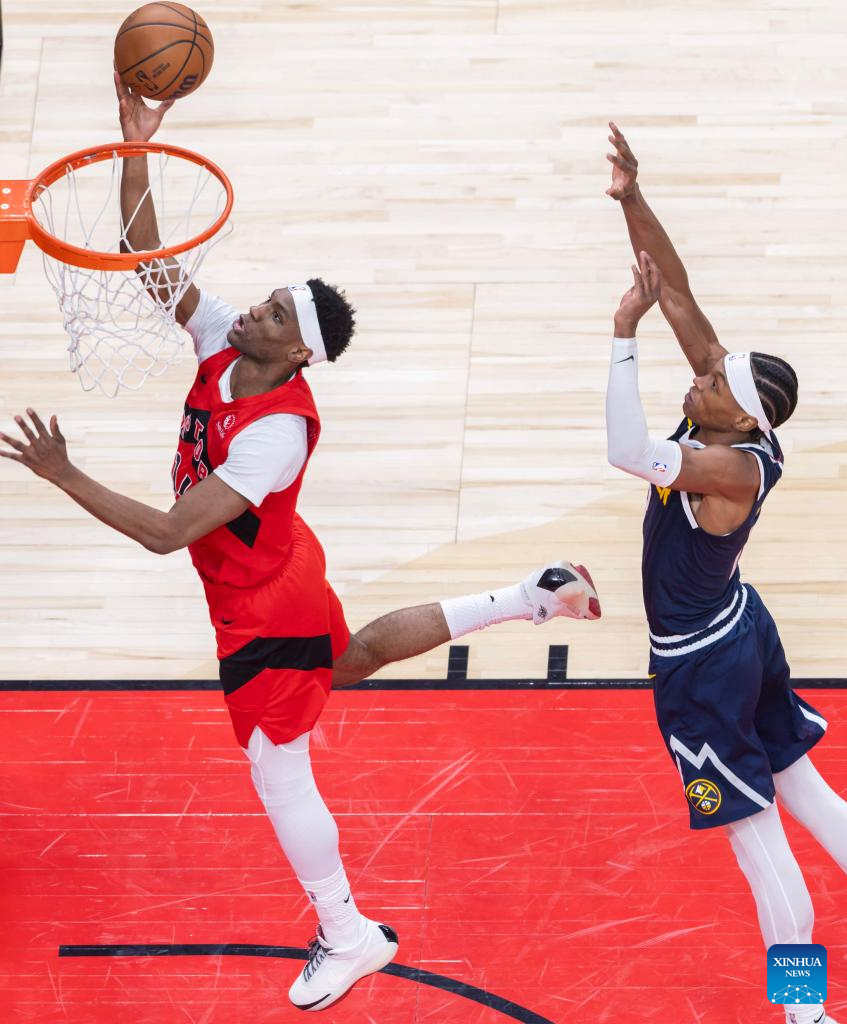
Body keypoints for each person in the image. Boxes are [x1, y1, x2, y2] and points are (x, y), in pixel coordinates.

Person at [0, 76, 600, 1013]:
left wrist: (64, 474)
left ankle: (348, 934)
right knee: (349, 661)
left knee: (279, 771)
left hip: (257, 603)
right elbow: (146, 258)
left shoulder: (277, 430)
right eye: (267, 300)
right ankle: (530, 595)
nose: (253, 311)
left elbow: (167, 533)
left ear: (297, 354)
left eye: (275, 315)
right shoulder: (226, 339)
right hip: (285, 562)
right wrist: (135, 143)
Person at [604, 124, 846, 1024]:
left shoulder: (728, 469)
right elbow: (676, 289)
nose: (697, 380)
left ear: (744, 419)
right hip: (738, 628)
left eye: (711, 385)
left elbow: (625, 448)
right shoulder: (731, 414)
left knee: (758, 844)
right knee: (806, 789)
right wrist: (633, 198)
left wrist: (621, 335)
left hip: (703, 670)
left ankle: (802, 1010)